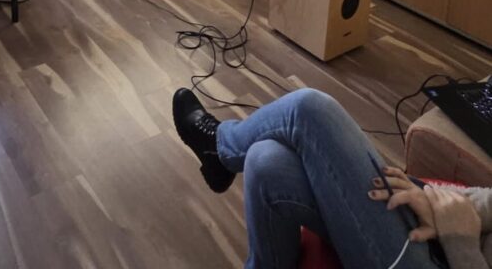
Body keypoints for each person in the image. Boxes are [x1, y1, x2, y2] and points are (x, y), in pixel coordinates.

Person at [173, 86, 492, 269]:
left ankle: (219, 148)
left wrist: (460, 239)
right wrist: (441, 205)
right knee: (265, 160)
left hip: (451, 255)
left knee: (308, 108)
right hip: (448, 233)